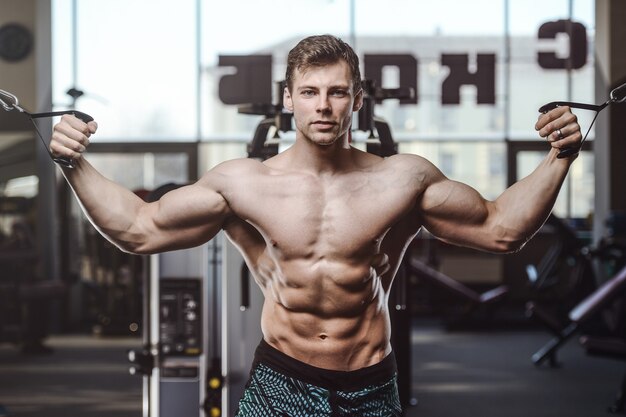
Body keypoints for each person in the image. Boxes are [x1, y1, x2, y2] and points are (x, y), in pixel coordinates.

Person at [50, 34, 582, 416]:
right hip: (282, 382)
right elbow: (140, 229)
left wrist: (560, 155)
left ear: (356, 99)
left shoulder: (404, 180)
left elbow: (501, 229)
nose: (323, 106)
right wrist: (73, 162)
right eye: (309, 92)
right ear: (289, 99)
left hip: (372, 385)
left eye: (337, 92)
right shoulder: (242, 184)